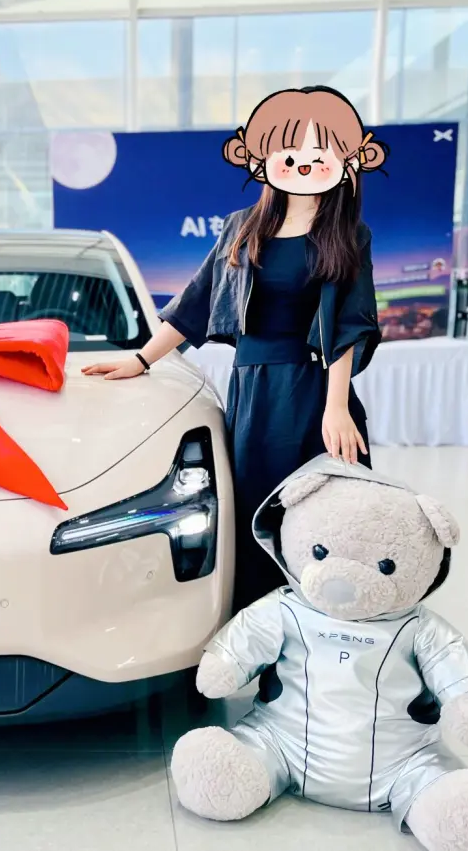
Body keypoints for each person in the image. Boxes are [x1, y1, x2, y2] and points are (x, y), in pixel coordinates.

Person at [82, 85, 386, 613]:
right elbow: (196, 301)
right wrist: (140, 360)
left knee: (325, 516)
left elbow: (350, 324)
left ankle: (329, 626)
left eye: (320, 152)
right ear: (264, 156)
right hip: (253, 396)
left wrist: (336, 406)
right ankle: (262, 631)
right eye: (290, 151)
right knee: (253, 517)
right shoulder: (241, 227)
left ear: (345, 158)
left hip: (313, 391)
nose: (304, 163)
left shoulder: (349, 233)